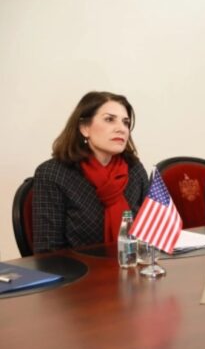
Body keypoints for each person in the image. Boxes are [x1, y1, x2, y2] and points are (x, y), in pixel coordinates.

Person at [33, 91, 149, 252]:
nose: (121, 129)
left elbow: (150, 232)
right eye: (109, 119)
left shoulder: (134, 169)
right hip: (78, 267)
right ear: (84, 128)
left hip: (130, 264)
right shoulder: (53, 174)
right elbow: (47, 252)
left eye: (125, 122)